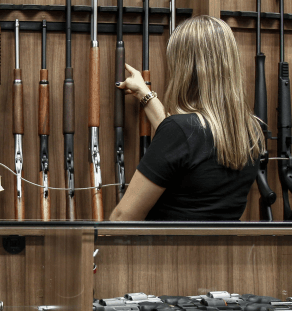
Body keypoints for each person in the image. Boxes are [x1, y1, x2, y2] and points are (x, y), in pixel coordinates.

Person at [110, 15, 263, 221]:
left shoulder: (180, 132)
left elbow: (123, 217)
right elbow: (187, 145)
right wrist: (144, 94)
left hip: (167, 252)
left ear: (184, 68)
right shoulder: (251, 130)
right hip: (221, 252)